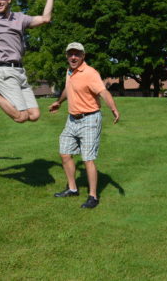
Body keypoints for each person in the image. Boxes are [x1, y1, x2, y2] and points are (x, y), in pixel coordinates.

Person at [48, 42, 120, 209]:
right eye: (70, 54)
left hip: (90, 119)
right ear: (67, 56)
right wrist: (59, 102)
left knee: (88, 158)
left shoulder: (90, 73)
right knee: (65, 153)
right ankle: (72, 189)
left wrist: (114, 109)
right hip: (72, 119)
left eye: (77, 54)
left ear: (83, 56)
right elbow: (68, 88)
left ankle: (93, 196)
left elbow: (103, 92)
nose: (73, 57)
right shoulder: (70, 71)